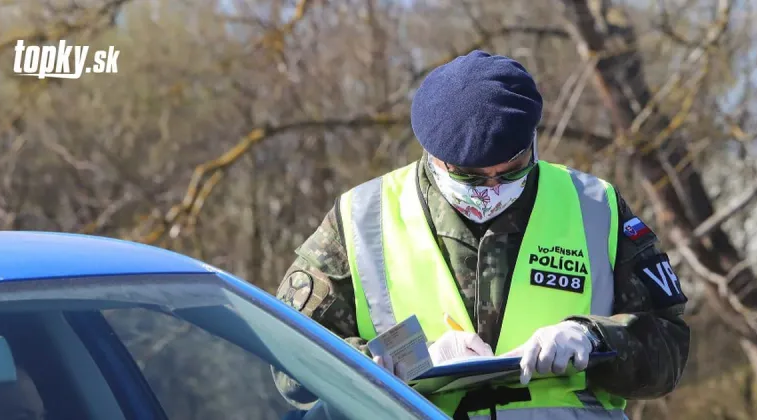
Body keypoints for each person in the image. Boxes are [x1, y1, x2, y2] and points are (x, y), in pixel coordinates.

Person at [271, 50, 690, 419]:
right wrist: (414, 355)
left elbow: (669, 349)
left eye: (511, 169)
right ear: (432, 154)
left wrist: (594, 336)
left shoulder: (596, 206)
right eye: (470, 176)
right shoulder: (361, 218)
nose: (491, 189)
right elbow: (290, 365)